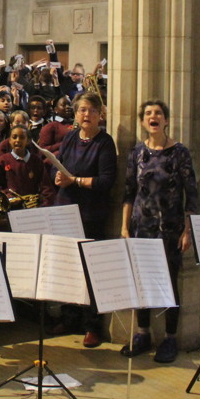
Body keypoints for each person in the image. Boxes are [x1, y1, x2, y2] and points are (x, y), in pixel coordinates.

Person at [120, 100, 197, 363]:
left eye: (159, 113)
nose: (154, 117)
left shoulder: (179, 152)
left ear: (166, 120)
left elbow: (192, 195)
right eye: (148, 114)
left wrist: (188, 231)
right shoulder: (137, 153)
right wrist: (124, 227)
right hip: (142, 228)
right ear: (143, 121)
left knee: (169, 283)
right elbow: (129, 192)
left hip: (170, 230)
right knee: (142, 281)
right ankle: (143, 333)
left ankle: (170, 338)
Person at [52, 91, 117, 348]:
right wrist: (56, 177)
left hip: (91, 214)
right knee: (68, 268)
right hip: (66, 210)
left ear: (100, 114)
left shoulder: (105, 142)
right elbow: (57, 165)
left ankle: (93, 326)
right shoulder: (69, 137)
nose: (86, 114)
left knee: (90, 271)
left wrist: (74, 181)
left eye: (91, 110)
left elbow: (106, 181)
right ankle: (70, 318)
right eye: (81, 110)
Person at [0, 124, 56, 207]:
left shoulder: (36, 161)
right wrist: (7, 196)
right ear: (9, 140)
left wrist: (43, 204)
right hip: (10, 207)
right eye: (14, 137)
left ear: (28, 141)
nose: (17, 140)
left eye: (22, 137)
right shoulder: (3, 160)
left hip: (32, 206)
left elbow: (46, 186)